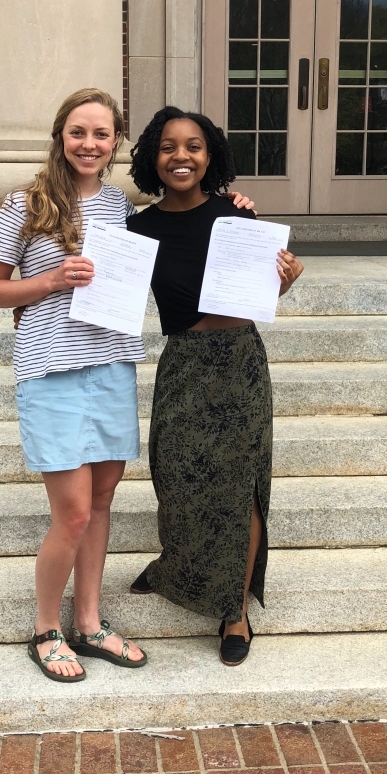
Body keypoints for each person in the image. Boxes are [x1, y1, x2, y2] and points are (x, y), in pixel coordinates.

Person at [0, 89, 255, 682]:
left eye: (102, 135)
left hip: (111, 364)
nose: (89, 144)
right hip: (51, 370)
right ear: (61, 136)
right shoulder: (24, 203)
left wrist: (233, 208)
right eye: (79, 132)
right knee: (73, 513)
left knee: (101, 504)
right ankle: (46, 629)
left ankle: (90, 621)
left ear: (115, 145)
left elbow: (187, 238)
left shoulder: (121, 209)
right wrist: (51, 279)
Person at [126, 106, 304, 666]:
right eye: (169, 147)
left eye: (194, 146)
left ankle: (235, 613)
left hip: (239, 363)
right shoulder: (138, 228)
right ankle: (179, 568)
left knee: (240, 484)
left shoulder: (237, 216)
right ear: (153, 158)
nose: (182, 156)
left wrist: (285, 284)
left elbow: (256, 300)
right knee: (176, 476)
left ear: (210, 157)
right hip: (184, 362)